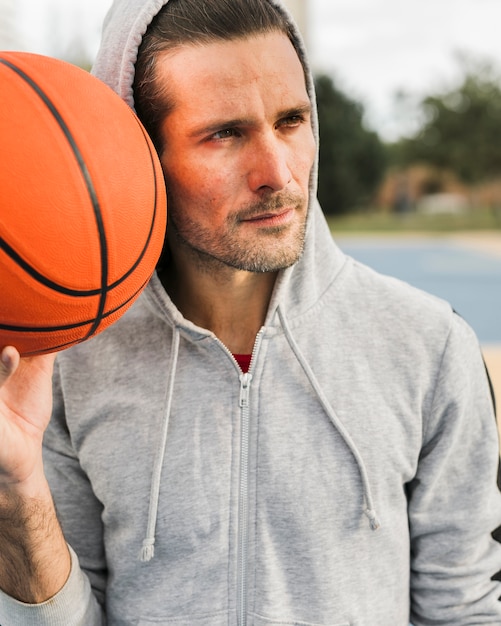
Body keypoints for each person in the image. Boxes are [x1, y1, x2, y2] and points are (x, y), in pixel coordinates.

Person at [0, 0, 500, 623]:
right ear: (140, 154)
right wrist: (17, 495)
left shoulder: (430, 347)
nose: (278, 172)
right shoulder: (63, 371)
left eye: (292, 120)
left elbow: (464, 610)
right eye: (225, 134)